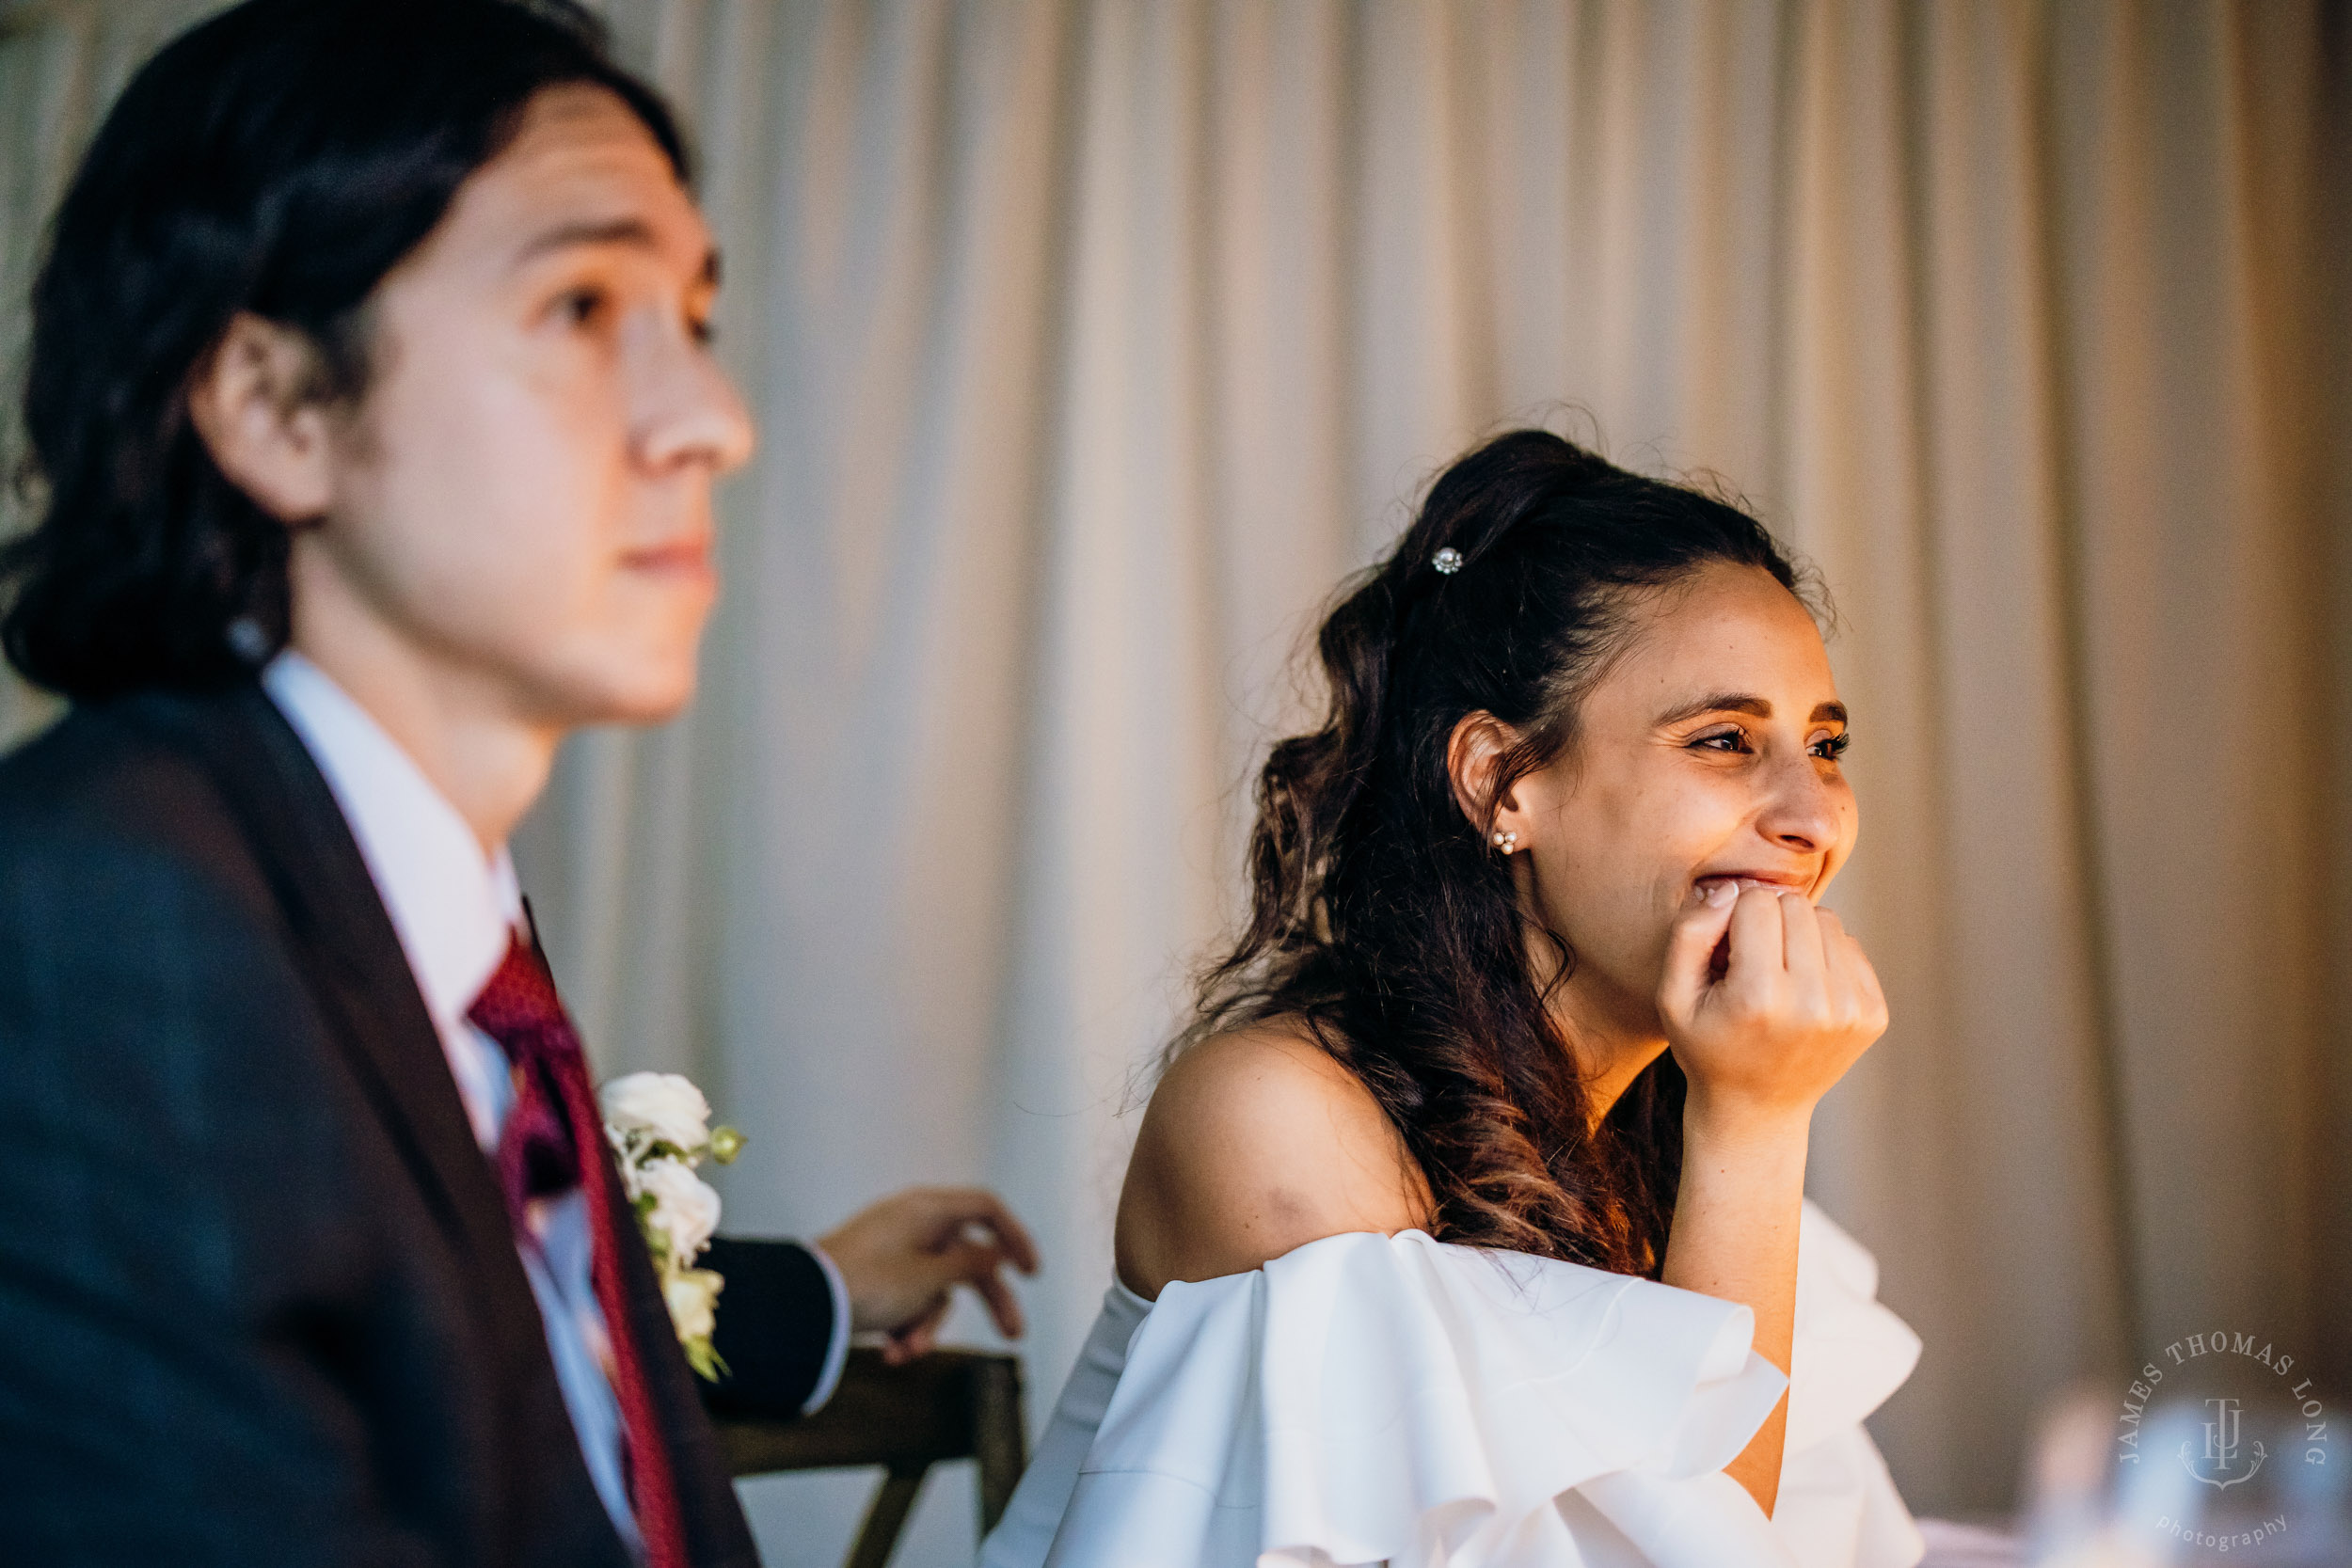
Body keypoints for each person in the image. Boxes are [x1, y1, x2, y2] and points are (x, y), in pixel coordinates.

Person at [0, 2, 1034, 1563]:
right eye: (576, 305)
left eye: (692, 318)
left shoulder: (448, 945)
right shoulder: (97, 921)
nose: (714, 420)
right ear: (277, 407)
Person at [985, 431, 1926, 1568]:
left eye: (1824, 745)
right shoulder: (1275, 1119)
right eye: (1723, 739)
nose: (1815, 816)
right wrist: (1760, 1126)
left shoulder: (1658, 1128)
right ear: (1501, 780)